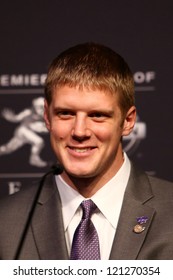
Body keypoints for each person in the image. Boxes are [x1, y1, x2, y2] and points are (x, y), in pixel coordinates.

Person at [0, 42, 173, 260]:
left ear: (128, 121)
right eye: (65, 113)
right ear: (46, 117)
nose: (80, 131)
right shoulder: (5, 224)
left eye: (97, 115)